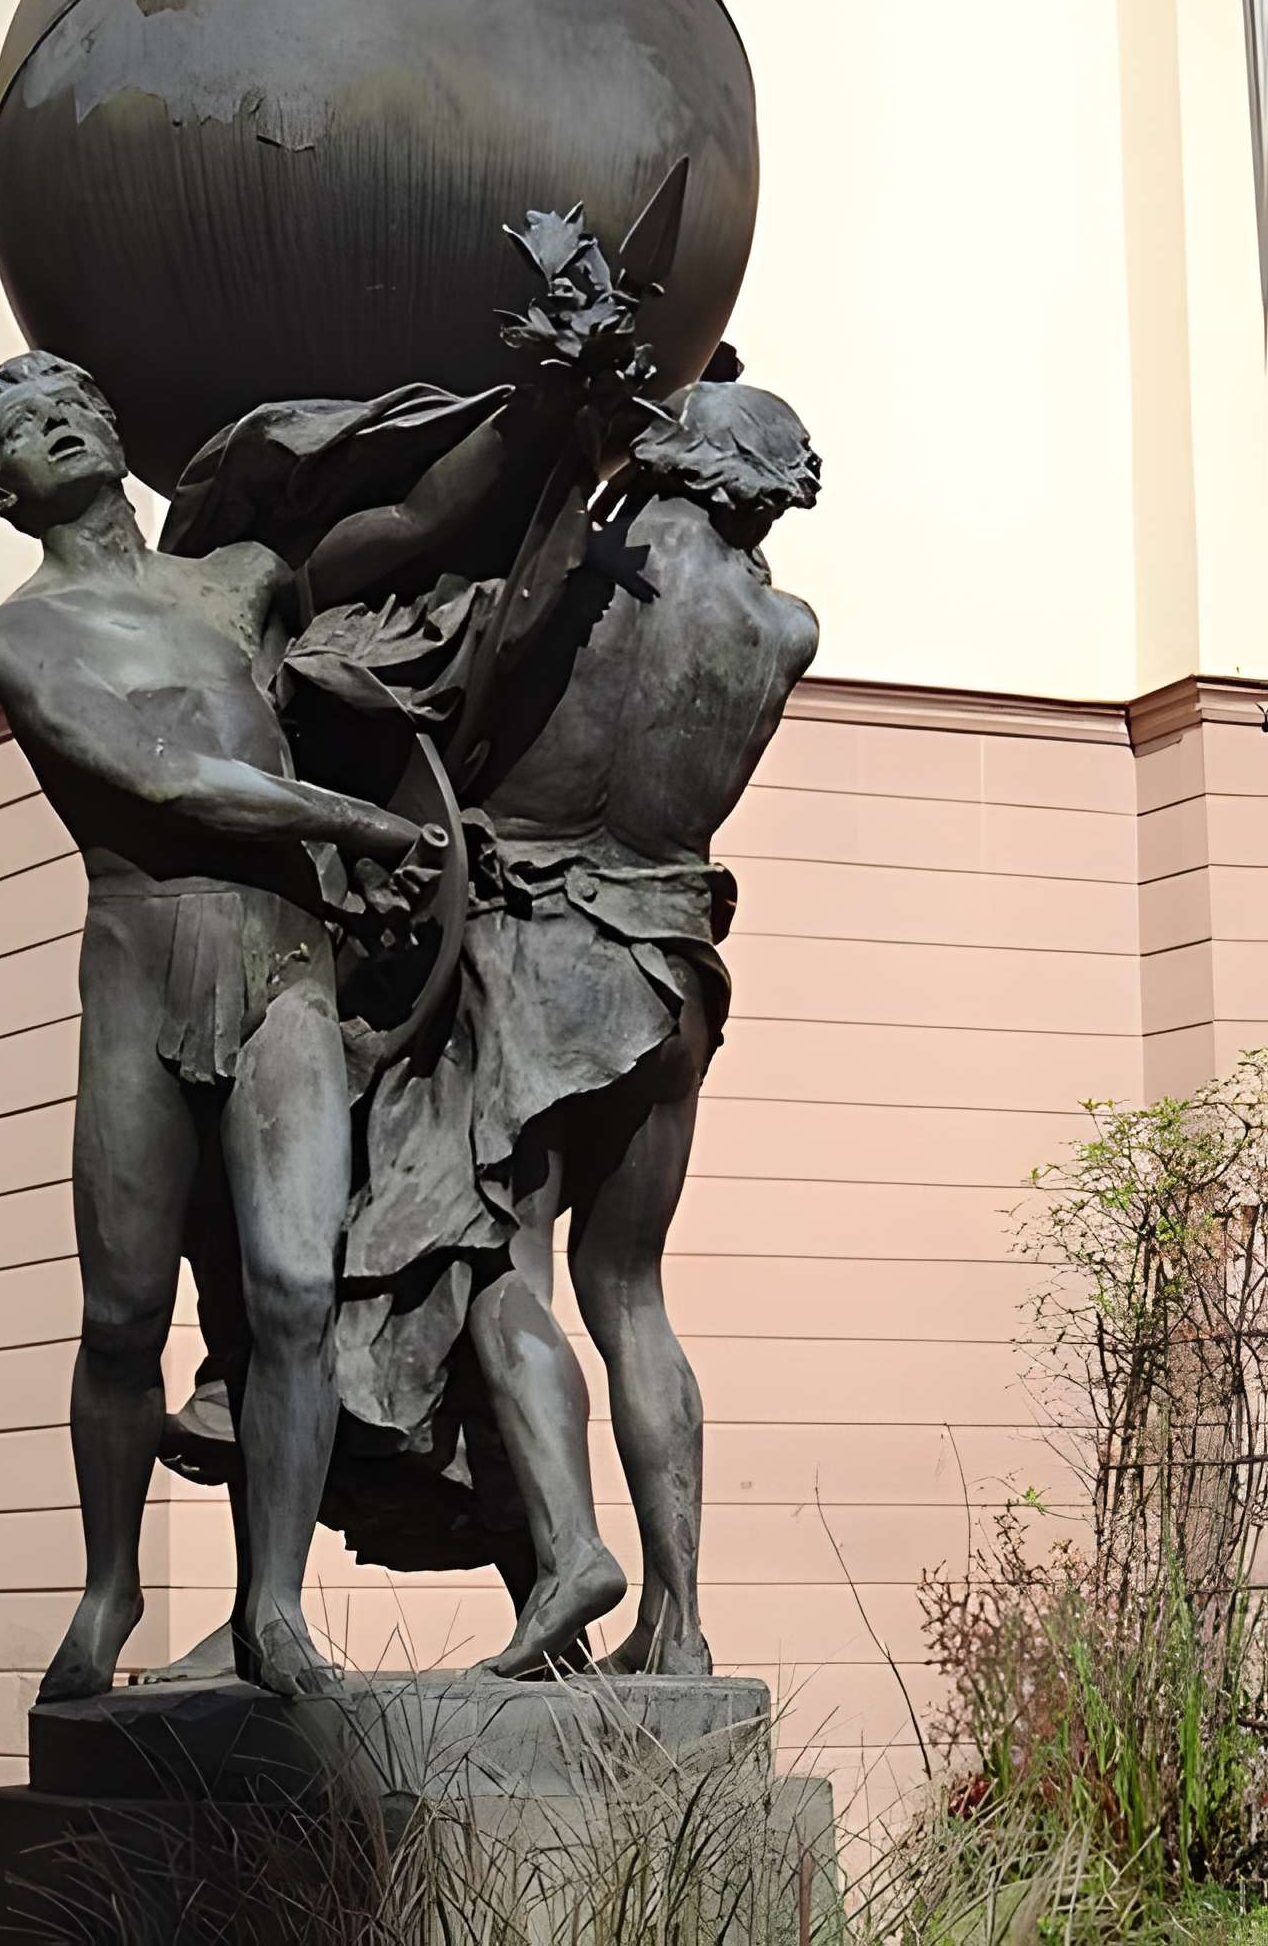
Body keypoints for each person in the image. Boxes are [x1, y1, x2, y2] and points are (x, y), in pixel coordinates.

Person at [0, 351, 441, 1701]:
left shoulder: (236, 583)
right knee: (125, 1316)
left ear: (116, 431)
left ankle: (272, 1607)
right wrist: (357, 824)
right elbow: (163, 779)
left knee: (295, 1292)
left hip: (283, 960)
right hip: (140, 966)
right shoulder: (22, 634)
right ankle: (110, 1588)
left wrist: (534, 420)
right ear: (3, 488)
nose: (56, 424)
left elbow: (408, 535)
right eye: (22, 426)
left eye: (71, 405)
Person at [344, 377, 822, 1677]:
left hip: (536, 964)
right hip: (672, 973)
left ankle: (568, 1558)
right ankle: (680, 1623)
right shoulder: (784, 629)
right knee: (634, 1293)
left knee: (502, 1267)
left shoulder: (570, 581)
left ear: (669, 453)